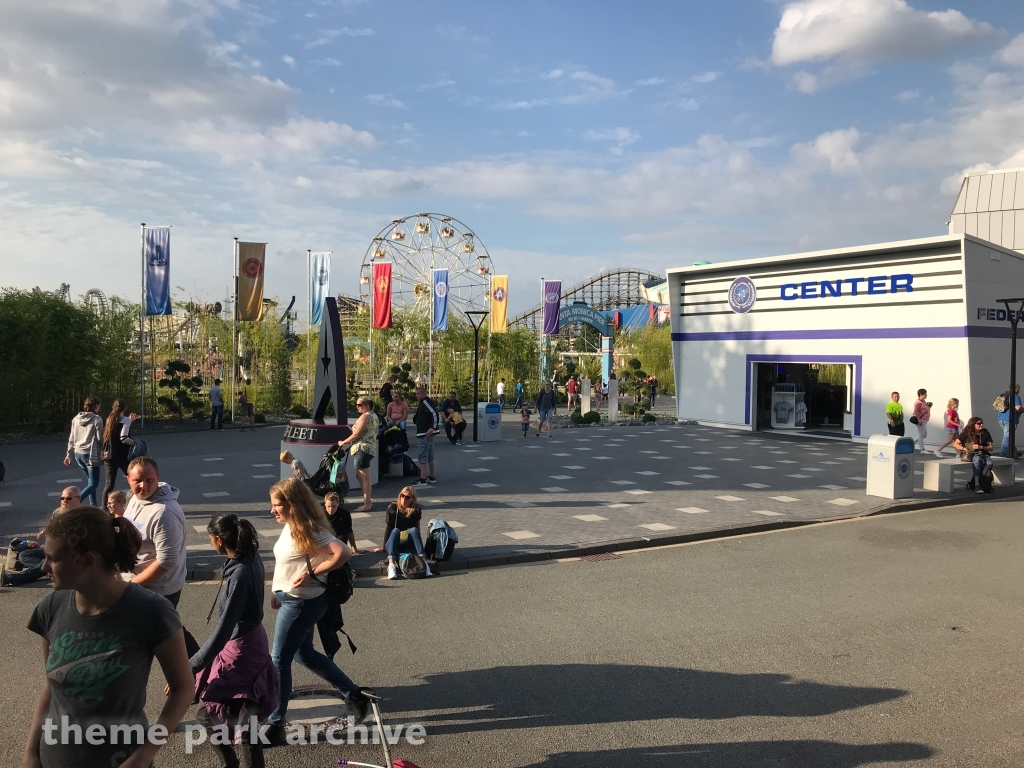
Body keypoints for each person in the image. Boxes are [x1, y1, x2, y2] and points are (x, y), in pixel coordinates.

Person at [22, 506, 194, 768]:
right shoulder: (51, 607)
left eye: (52, 558)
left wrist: (144, 754)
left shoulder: (151, 611)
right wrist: (31, 754)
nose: (43, 566)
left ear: (87, 560)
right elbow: (51, 685)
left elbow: (183, 689)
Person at [265, 478, 370, 743]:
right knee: (305, 655)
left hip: (303, 602)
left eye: (278, 505)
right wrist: (278, 590)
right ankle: (354, 693)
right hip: (291, 598)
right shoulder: (291, 526)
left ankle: (276, 723)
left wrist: (312, 573)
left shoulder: (309, 529)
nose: (272, 510)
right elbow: (289, 562)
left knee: (278, 660)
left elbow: (343, 552)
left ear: (294, 504)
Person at [190, 513, 276, 768]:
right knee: (245, 722)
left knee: (208, 715)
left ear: (218, 540)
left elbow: (224, 629)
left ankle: (231, 763)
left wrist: (192, 665)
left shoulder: (239, 575)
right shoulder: (250, 558)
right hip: (252, 641)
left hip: (240, 650)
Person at [122, 456, 199, 657]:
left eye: (149, 480)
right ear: (127, 479)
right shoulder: (135, 499)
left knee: (164, 639)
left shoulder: (164, 513)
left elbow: (167, 561)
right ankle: (201, 671)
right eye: (137, 481)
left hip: (158, 588)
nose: (143, 486)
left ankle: (198, 674)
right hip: (138, 584)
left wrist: (132, 585)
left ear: (158, 477)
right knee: (167, 634)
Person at [0, 486, 82, 587]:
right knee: (24, 555)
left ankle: (13, 578)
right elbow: (52, 530)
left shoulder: (82, 517)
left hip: (69, 554)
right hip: (54, 550)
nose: (64, 501)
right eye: (62, 498)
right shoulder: (57, 512)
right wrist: (47, 531)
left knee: (47, 562)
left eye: (68, 498)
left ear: (78, 498)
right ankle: (52, 571)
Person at [373, 486, 432, 580]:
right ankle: (391, 565)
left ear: (412, 499)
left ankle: (424, 563)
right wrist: (384, 547)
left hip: (407, 544)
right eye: (402, 496)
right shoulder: (392, 508)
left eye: (407, 497)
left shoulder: (416, 509)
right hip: (394, 543)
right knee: (395, 530)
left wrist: (418, 545)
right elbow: (388, 529)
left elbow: (417, 528)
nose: (404, 498)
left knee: (413, 530)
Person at [336, 396, 378, 513]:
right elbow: (367, 431)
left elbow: (356, 435)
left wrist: (343, 442)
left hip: (362, 448)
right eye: (357, 405)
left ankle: (367, 504)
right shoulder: (374, 416)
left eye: (360, 405)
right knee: (360, 476)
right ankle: (368, 501)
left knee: (364, 478)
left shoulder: (365, 416)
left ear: (367, 405)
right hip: (370, 448)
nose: (357, 407)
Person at [64, 395, 104, 506]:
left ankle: (93, 505)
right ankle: (74, 503)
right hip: (90, 454)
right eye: (99, 406)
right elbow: (100, 438)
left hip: (78, 454)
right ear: (95, 406)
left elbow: (71, 437)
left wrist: (68, 455)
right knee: (94, 484)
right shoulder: (97, 419)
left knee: (90, 482)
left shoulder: (76, 419)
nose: (99, 409)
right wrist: (105, 448)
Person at [101, 398, 140, 508]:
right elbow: (123, 437)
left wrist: (130, 420)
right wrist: (135, 443)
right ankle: (135, 503)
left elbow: (117, 428)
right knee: (133, 478)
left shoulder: (110, 419)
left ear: (113, 407)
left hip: (109, 455)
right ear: (125, 408)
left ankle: (105, 508)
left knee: (109, 484)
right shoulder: (125, 420)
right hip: (122, 455)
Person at [954, 416, 994, 494]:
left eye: (982, 423)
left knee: (989, 463)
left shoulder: (985, 433)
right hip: (971, 454)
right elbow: (955, 444)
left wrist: (981, 447)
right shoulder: (966, 433)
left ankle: (982, 480)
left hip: (983, 452)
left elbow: (991, 447)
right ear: (973, 424)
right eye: (979, 423)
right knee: (977, 461)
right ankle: (976, 484)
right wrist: (964, 449)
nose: (981, 425)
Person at [412, 386, 439, 487]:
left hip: (425, 432)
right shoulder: (423, 403)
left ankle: (422, 479)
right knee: (430, 455)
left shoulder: (426, 402)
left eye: (418, 393)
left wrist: (433, 427)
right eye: (416, 393)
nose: (416, 395)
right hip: (426, 432)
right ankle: (431, 477)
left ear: (424, 393)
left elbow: (434, 414)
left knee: (423, 455)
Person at [998, 383, 1023, 458]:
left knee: (1010, 436)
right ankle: (1003, 454)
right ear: (1016, 388)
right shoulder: (1015, 396)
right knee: (1007, 436)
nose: (1019, 389)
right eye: (1019, 388)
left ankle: (1014, 452)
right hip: (1010, 419)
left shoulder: (1005, 395)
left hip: (1001, 418)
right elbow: (1018, 408)